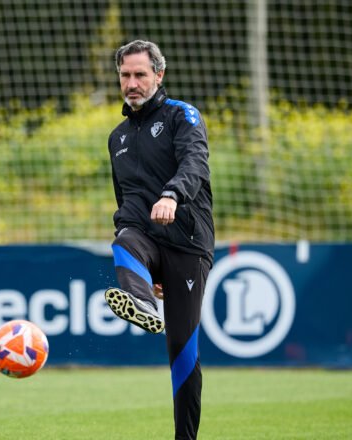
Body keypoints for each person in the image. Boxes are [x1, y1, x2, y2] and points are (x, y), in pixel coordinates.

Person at [104, 40, 214, 440]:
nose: (131, 83)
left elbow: (195, 164)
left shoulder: (181, 115)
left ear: (158, 76)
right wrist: (142, 268)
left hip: (187, 242)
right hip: (147, 240)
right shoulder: (117, 138)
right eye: (125, 75)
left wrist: (172, 194)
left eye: (139, 75)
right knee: (123, 242)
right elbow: (128, 203)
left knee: (182, 353)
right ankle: (142, 301)